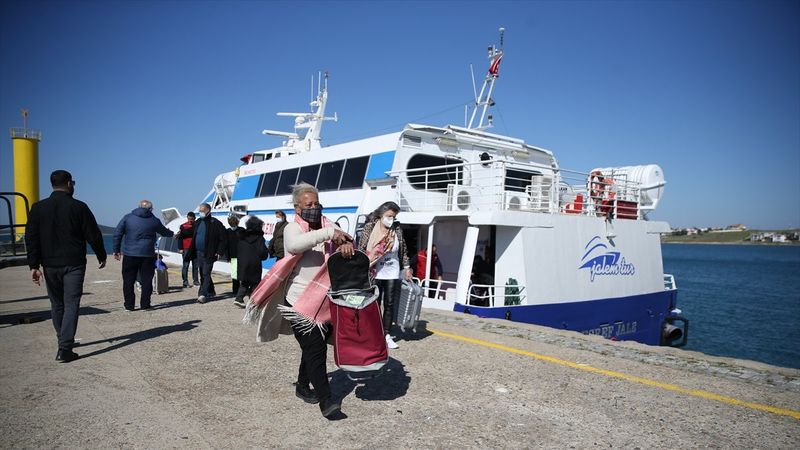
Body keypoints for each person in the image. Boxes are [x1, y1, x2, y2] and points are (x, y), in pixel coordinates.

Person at [244, 183, 353, 419]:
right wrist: (329, 234)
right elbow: (295, 246)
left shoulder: (329, 224)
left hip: (325, 302)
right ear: (297, 208)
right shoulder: (292, 228)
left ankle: (303, 386)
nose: (314, 208)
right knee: (316, 349)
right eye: (308, 205)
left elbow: (345, 240)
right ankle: (327, 401)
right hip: (298, 302)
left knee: (312, 347)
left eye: (317, 203)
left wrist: (345, 243)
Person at [25, 170, 107, 362]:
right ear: (69, 184)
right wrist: (101, 255)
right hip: (74, 263)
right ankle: (65, 348)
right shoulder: (79, 207)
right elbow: (93, 234)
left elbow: (31, 237)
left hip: (49, 264)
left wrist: (33, 265)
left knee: (57, 304)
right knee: (71, 304)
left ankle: (62, 339)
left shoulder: (38, 208)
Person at [357, 201, 412, 349]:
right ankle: (373, 333)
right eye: (389, 216)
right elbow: (361, 248)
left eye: (394, 217)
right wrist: (360, 268)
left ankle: (386, 334)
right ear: (381, 214)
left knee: (389, 303)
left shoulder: (397, 229)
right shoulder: (370, 227)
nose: (391, 219)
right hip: (374, 270)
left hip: (392, 270)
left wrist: (407, 267)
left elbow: (403, 249)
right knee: (374, 303)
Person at [113, 200, 174, 311]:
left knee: (128, 280)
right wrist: (172, 234)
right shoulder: (154, 220)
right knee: (146, 280)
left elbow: (117, 233)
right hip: (147, 255)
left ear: (139, 207)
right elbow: (164, 232)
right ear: (150, 209)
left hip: (130, 254)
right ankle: (145, 305)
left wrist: (116, 250)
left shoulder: (127, 218)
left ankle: (129, 305)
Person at [186, 203, 227, 303]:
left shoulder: (215, 223)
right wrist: (179, 233)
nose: (201, 212)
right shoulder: (198, 222)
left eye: (202, 211)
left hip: (210, 253)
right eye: (200, 211)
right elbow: (191, 233)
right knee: (203, 272)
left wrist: (220, 252)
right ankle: (211, 290)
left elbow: (223, 239)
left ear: (208, 211)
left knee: (205, 273)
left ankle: (202, 294)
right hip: (198, 252)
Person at [233, 216, 268, 308]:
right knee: (255, 283)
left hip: (243, 263)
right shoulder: (259, 238)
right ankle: (253, 301)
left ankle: (239, 298)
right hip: (254, 263)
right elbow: (262, 252)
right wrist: (265, 255)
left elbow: (238, 250)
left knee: (245, 282)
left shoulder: (242, 237)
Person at [176, 212, 199, 288]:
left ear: (194, 218)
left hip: (195, 248)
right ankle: (185, 282)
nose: (190, 220)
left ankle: (196, 281)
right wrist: (180, 248)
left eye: (191, 219)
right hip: (186, 248)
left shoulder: (197, 225)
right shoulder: (183, 226)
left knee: (195, 266)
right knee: (185, 265)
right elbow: (180, 237)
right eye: (189, 219)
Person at [226, 215, 244, 298]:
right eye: (231, 224)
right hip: (233, 255)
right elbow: (226, 245)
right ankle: (236, 290)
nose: (232, 226)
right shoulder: (227, 231)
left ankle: (240, 289)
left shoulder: (242, 230)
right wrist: (228, 256)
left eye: (233, 224)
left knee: (241, 273)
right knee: (234, 274)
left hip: (241, 255)